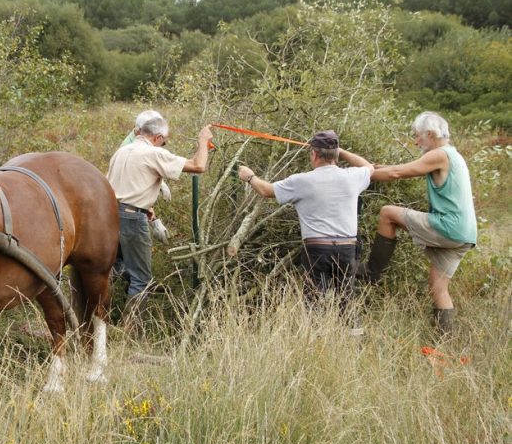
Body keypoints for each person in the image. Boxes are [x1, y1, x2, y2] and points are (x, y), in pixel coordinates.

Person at [238, 131, 373, 328]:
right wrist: (340, 151)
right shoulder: (352, 176)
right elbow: (368, 166)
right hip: (347, 247)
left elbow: (266, 190)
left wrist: (250, 177)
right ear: (334, 155)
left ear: (314, 155)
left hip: (317, 249)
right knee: (347, 299)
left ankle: (315, 341)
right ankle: (355, 341)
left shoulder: (301, 181)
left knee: (314, 302)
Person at [361, 111, 477, 338]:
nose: (415, 142)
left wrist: (361, 175)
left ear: (431, 134)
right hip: (464, 234)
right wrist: (381, 167)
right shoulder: (453, 154)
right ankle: (445, 345)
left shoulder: (440, 154)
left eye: (417, 136)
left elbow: (397, 173)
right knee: (438, 288)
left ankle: (371, 273)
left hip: (448, 227)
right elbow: (403, 167)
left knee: (387, 213)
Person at [107, 116, 213, 298]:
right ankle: (132, 326)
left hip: (108, 215)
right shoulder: (153, 153)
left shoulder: (122, 151)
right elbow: (198, 166)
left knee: (112, 269)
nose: (163, 146)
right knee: (141, 279)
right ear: (157, 137)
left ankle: (102, 317)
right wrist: (203, 141)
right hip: (132, 219)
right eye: (164, 142)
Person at [121, 110, 171, 243]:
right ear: (139, 131)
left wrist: (161, 184)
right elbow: (132, 186)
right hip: (127, 210)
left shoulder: (142, 141)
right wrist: (149, 212)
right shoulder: (129, 148)